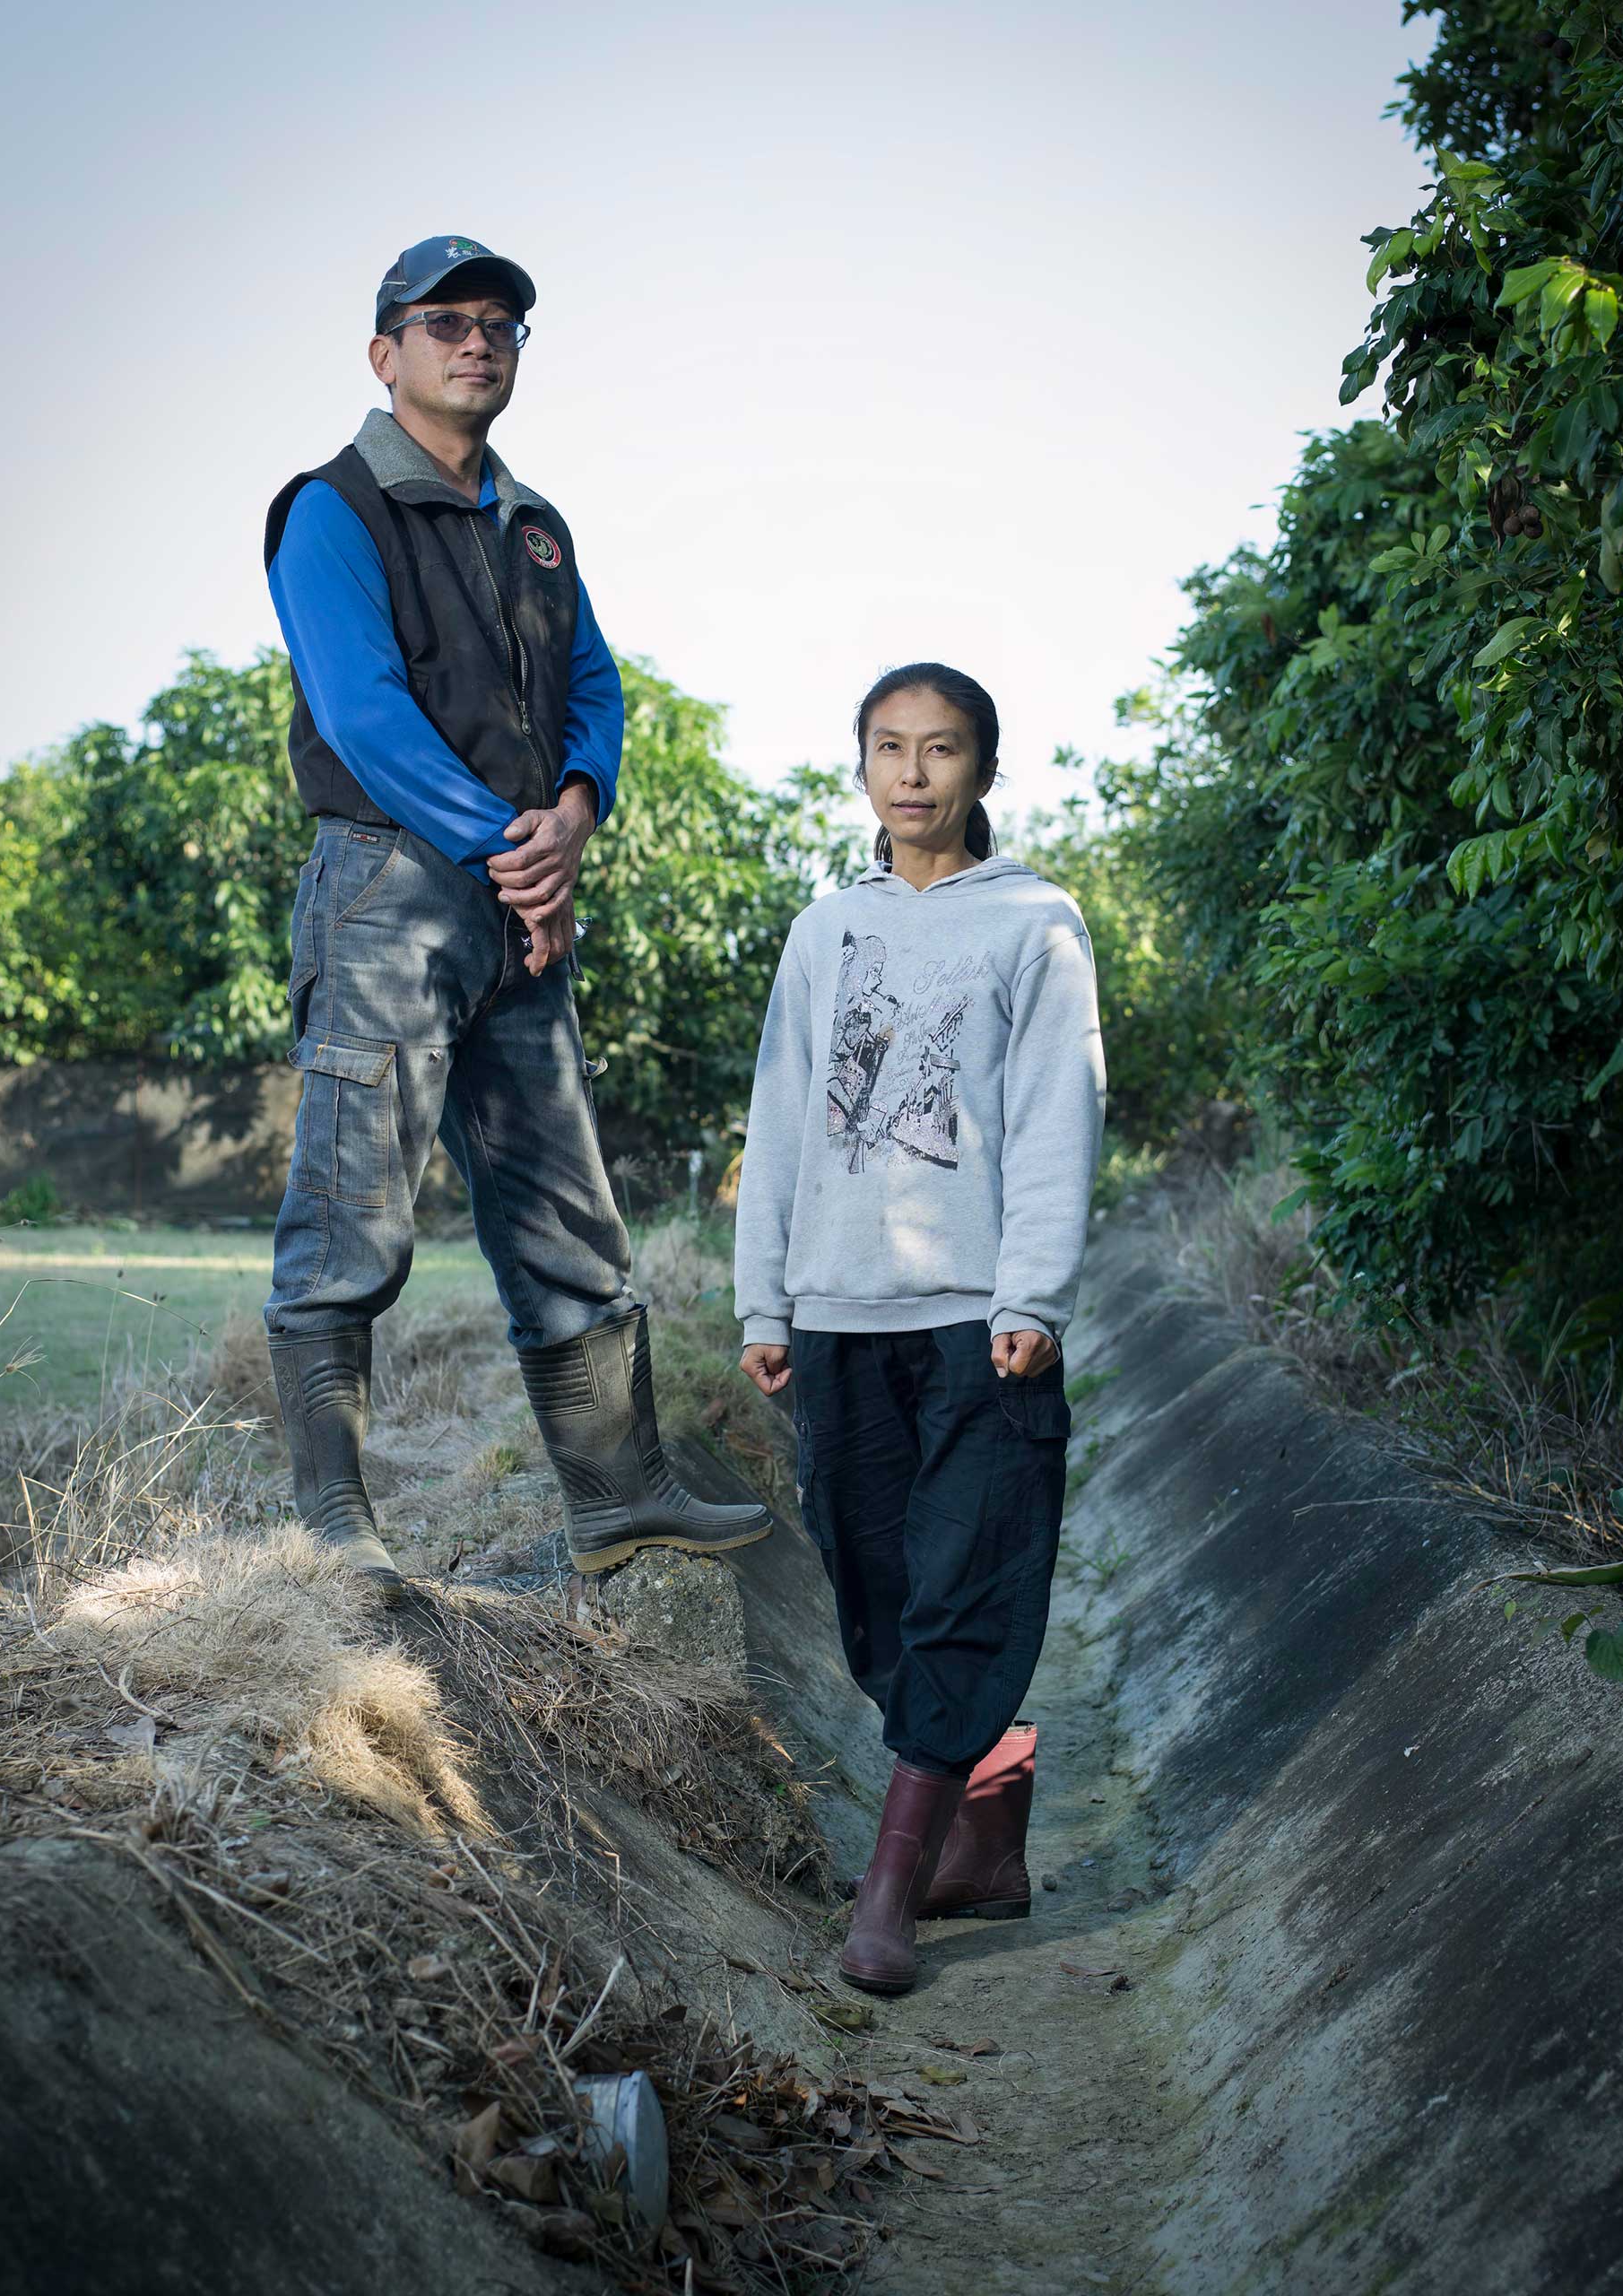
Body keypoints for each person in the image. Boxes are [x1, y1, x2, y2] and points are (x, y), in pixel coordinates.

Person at [262, 234, 770, 1600]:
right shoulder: (334, 509)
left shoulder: (533, 525)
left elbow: (597, 687)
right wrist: (516, 849)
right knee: (353, 1210)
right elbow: (365, 717)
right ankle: (334, 1529)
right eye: (446, 322)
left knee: (568, 1210)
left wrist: (577, 816)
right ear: (388, 353)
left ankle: (621, 1496)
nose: (477, 341)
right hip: (391, 892)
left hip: (515, 904)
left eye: (500, 325)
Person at [735, 664, 1106, 1994]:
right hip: (837, 1310)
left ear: (982, 772)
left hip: (974, 1317)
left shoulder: (1035, 925)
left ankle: (887, 1896)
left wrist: (1034, 1295)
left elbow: (1061, 1115)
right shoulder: (824, 929)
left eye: (940, 750)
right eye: (889, 748)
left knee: (965, 1575)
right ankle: (984, 1831)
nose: (913, 774)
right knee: (873, 1576)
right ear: (862, 769)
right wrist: (762, 1298)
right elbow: (778, 1119)